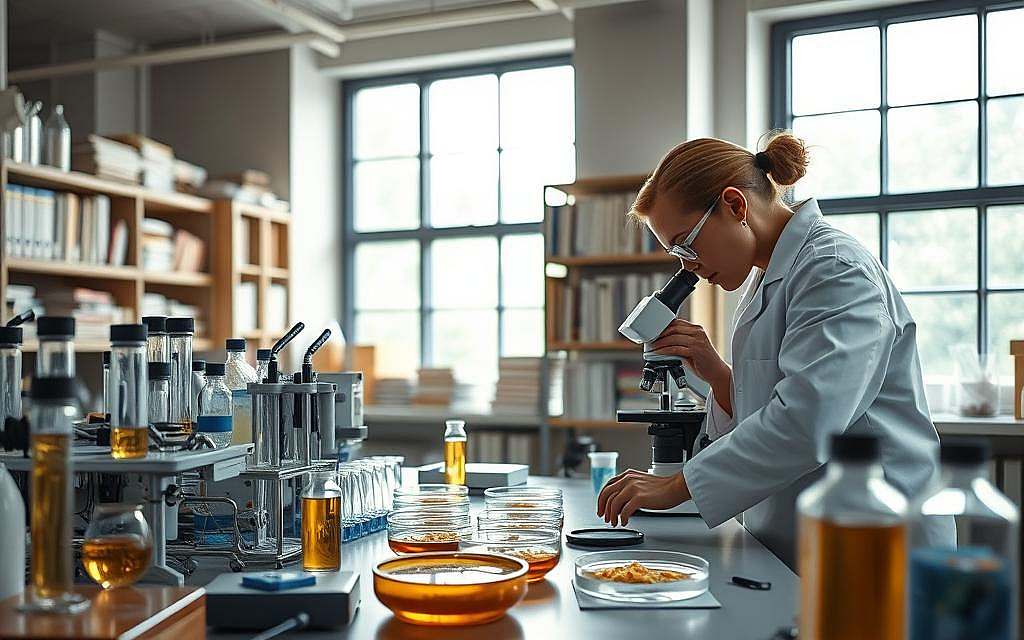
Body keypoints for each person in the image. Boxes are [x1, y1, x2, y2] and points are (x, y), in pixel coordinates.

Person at [596, 132, 955, 569]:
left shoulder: (835, 270)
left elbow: (809, 422)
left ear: (734, 205)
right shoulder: (766, 279)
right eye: (676, 253)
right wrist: (719, 375)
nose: (686, 265)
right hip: (814, 532)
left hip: (880, 532)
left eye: (686, 244)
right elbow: (770, 405)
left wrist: (678, 484)